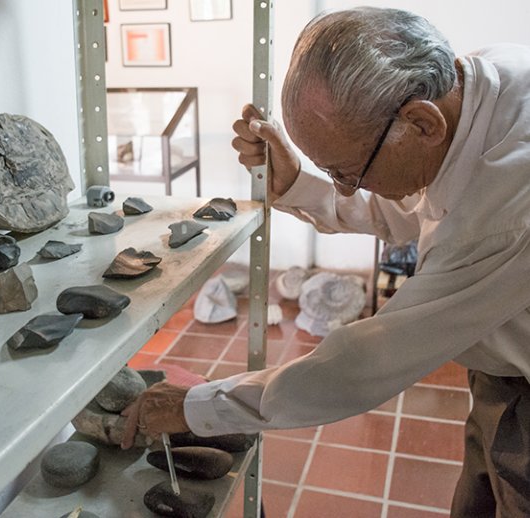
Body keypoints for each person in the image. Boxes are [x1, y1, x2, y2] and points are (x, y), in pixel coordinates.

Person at [122, 6, 530, 516]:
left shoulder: (507, 204)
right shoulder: (473, 87)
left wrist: (198, 406)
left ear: (422, 123)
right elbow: (416, 203)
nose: (345, 186)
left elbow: (370, 362)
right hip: (502, 375)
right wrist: (299, 184)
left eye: (348, 172)